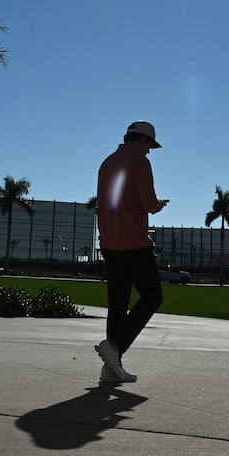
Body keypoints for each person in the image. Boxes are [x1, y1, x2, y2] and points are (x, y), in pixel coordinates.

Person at [94, 120, 169, 383]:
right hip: (133, 242)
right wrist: (159, 205)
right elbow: (148, 203)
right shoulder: (139, 161)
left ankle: (111, 369)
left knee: (118, 302)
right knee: (152, 296)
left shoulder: (107, 162)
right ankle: (114, 347)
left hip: (109, 241)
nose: (150, 151)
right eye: (150, 145)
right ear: (143, 141)